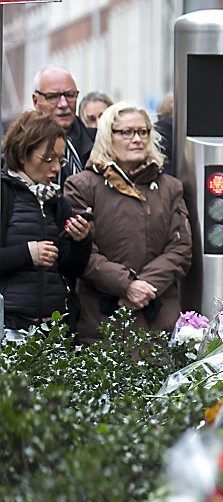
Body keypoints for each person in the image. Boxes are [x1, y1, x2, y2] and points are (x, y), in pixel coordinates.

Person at [64, 103, 192, 343]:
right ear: (107, 137)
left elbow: (180, 249)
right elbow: (82, 252)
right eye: (127, 132)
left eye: (144, 132)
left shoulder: (170, 187)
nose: (137, 139)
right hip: (103, 321)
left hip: (158, 320)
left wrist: (143, 287)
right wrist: (126, 285)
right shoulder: (81, 186)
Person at [1, 111, 92, 330]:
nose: (55, 168)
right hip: (9, 325)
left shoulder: (56, 200)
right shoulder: (4, 193)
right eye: (48, 159)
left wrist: (81, 240)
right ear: (23, 155)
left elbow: (70, 269)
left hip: (52, 327)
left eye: (60, 160)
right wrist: (28, 253)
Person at [31, 66, 96, 184]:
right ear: (36, 101)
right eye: (52, 97)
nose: (63, 104)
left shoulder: (99, 144)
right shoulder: (19, 150)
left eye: (70, 95)